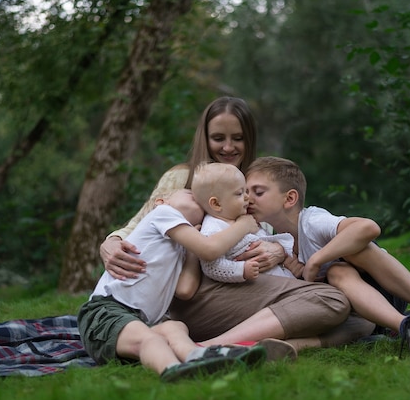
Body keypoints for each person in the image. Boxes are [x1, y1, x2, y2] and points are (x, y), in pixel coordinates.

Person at [100, 96, 373, 352]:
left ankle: (280, 344)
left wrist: (278, 251)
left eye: (238, 138)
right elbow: (138, 226)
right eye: (218, 138)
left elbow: (282, 235)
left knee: (362, 320)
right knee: (332, 302)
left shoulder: (257, 182)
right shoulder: (183, 178)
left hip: (253, 287)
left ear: (249, 140)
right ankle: (215, 347)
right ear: (205, 139)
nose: (228, 147)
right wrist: (110, 242)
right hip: (202, 292)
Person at [245, 156, 410, 356]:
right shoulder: (274, 239)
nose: (248, 199)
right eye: (245, 193)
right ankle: (400, 327)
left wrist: (316, 261)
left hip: (384, 290)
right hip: (352, 314)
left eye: (258, 192)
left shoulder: (311, 221)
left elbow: (368, 227)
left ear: (289, 199)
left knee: (345, 262)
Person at [78, 188, 268, 382]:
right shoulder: (163, 214)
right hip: (105, 312)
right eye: (191, 194)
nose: (198, 198)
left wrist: (193, 249)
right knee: (150, 339)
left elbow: (185, 290)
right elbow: (210, 249)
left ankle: (199, 358)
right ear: (161, 201)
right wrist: (243, 226)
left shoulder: (180, 246)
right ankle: (174, 370)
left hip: (138, 322)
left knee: (175, 327)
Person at [191, 162, 294, 282]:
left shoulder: (245, 217)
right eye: (240, 193)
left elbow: (268, 239)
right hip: (261, 287)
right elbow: (211, 266)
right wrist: (241, 270)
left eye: (246, 191)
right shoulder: (213, 228)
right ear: (216, 204)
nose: (247, 197)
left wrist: (283, 252)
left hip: (281, 277)